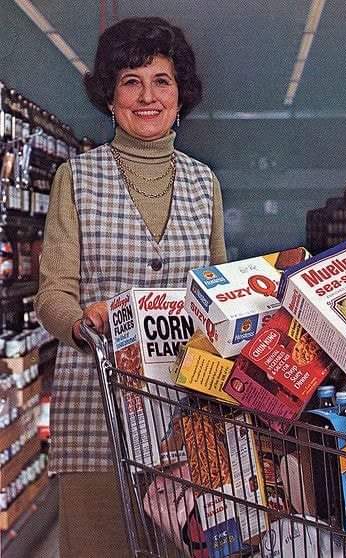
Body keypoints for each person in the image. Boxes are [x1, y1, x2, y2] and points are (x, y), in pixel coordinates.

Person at [35, 17, 226, 557]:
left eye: (161, 81)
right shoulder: (77, 178)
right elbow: (52, 294)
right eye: (131, 81)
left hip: (184, 423)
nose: (148, 96)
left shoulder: (202, 182)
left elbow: (218, 293)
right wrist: (80, 321)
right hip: (96, 410)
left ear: (179, 94)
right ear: (111, 96)